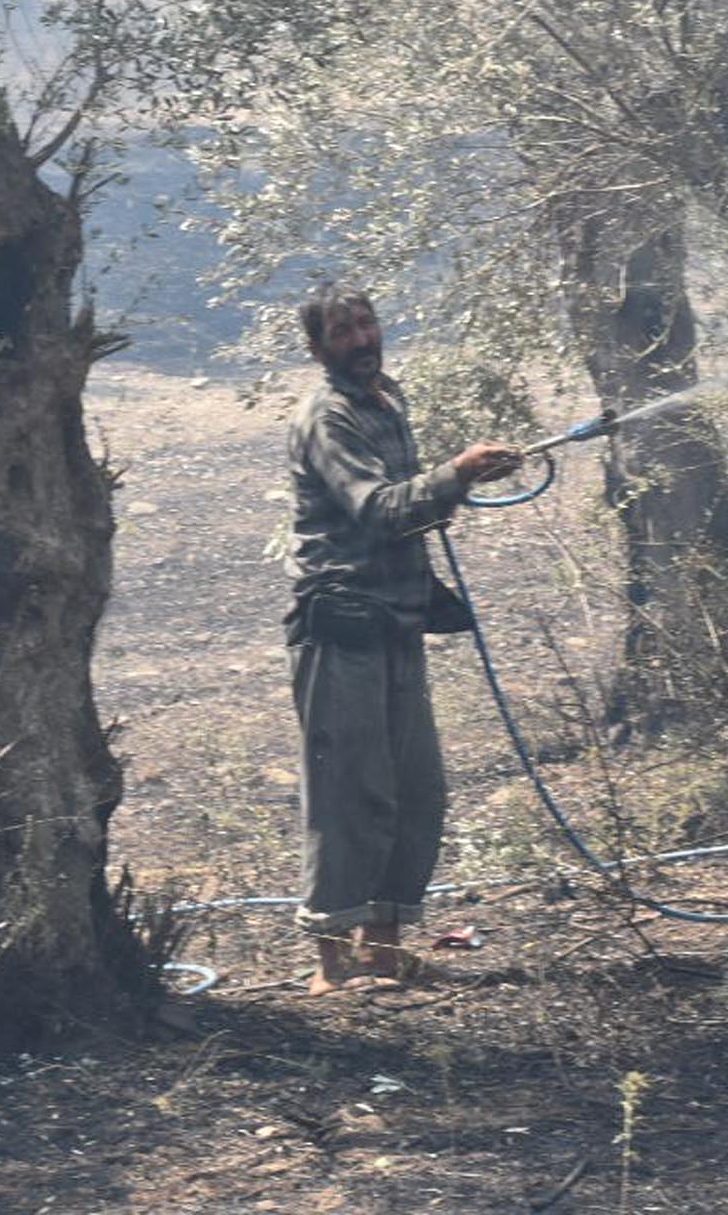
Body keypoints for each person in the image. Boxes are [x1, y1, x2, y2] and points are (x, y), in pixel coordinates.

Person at [283, 285, 522, 994]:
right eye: (343, 331)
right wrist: (457, 474)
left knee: (415, 791)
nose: (361, 338)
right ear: (317, 348)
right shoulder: (327, 417)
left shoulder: (384, 402)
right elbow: (378, 509)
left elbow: (407, 506)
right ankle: (331, 967)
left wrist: (454, 483)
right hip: (341, 627)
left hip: (396, 621)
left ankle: (382, 953)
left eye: (366, 323)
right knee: (347, 793)